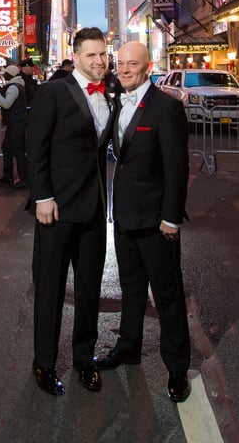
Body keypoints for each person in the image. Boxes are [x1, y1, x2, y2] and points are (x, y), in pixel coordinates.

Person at [94, 41, 191, 403]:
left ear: (148, 67)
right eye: (120, 64)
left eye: (132, 64)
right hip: (123, 218)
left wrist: (171, 217)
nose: (125, 69)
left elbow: (176, 169)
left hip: (156, 222)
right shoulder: (116, 103)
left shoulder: (166, 108)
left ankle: (177, 368)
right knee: (131, 290)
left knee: (167, 295)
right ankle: (128, 348)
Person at [26, 27, 115, 397]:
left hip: (93, 209)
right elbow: (36, 147)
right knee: (49, 289)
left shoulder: (110, 95)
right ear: (75, 56)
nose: (99, 61)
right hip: (57, 209)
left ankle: (84, 358)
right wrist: (42, 196)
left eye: (103, 55)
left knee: (90, 290)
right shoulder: (54, 91)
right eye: (91, 55)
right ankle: (44, 363)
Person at [0, 64, 28, 188]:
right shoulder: (17, 85)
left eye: (6, 73)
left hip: (16, 123)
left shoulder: (13, 87)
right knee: (8, 149)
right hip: (16, 122)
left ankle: (23, 179)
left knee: (18, 151)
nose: (4, 75)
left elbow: (7, 104)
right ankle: (8, 176)